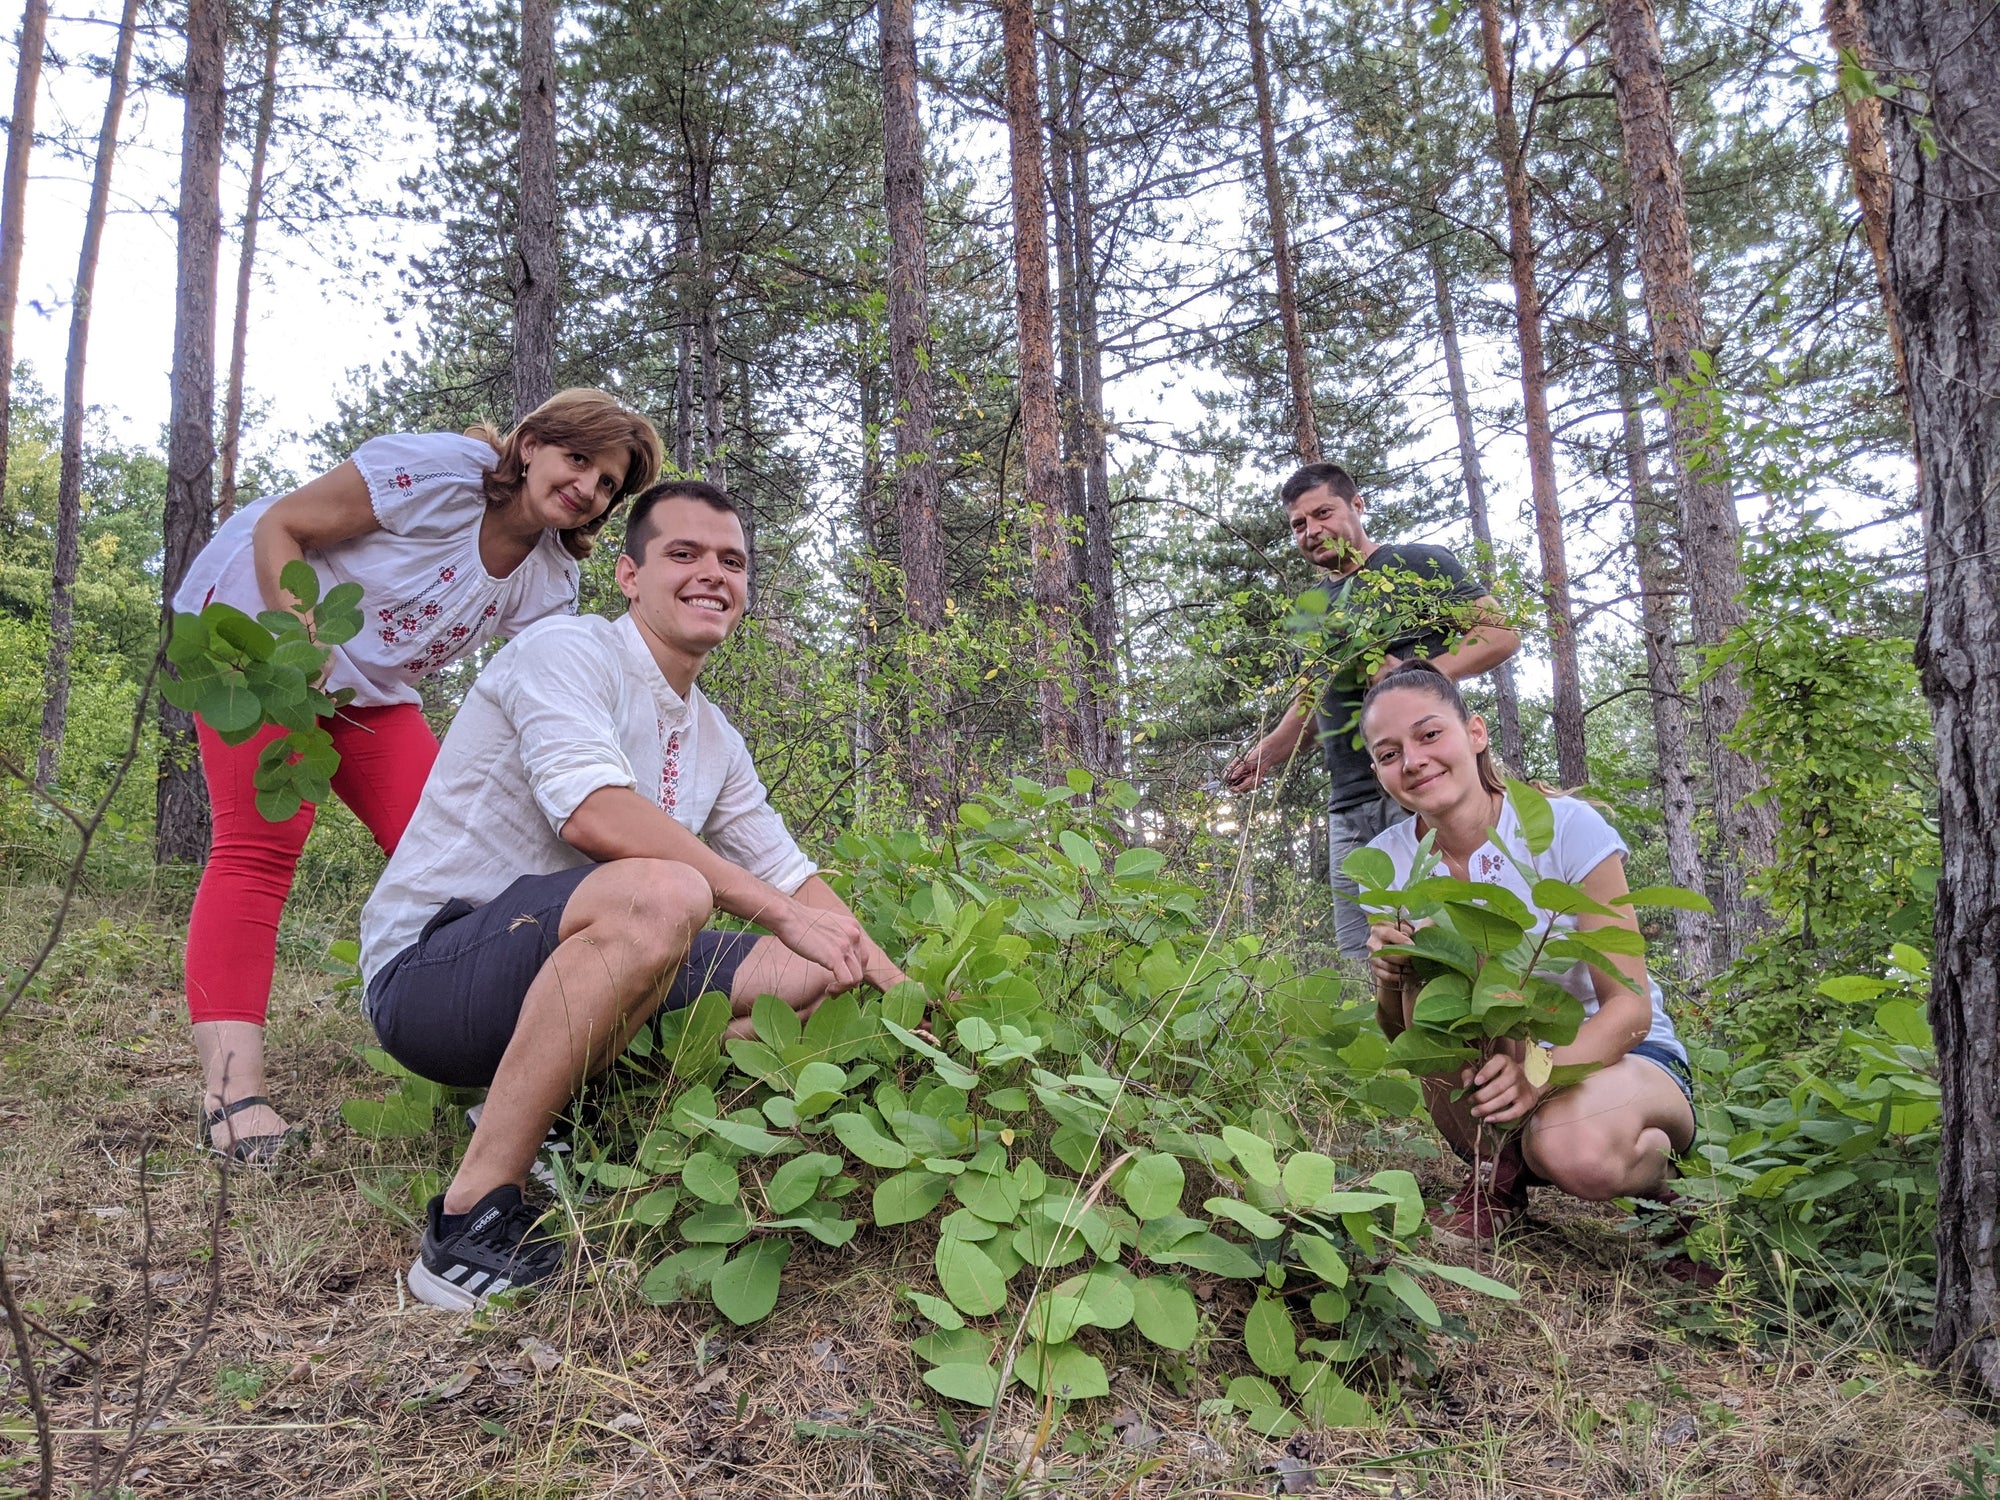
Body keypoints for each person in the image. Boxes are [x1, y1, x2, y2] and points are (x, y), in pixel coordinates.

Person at [357, 478, 909, 1309]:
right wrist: (781, 913)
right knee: (666, 894)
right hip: (435, 973)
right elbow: (592, 814)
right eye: (682, 554)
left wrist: (898, 992)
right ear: (628, 575)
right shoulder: (568, 653)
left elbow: (794, 877)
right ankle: (468, 1220)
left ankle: (559, 1121)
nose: (710, 574)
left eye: (731, 561)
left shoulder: (714, 734)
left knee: (816, 975)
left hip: (572, 957)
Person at [173, 389, 664, 1162]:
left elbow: (542, 700)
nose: (587, 489)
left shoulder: (548, 581)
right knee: (260, 850)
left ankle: (512, 1083)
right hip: (256, 641)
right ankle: (232, 1102)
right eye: (579, 460)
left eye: (607, 484)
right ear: (530, 443)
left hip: (371, 687)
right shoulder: (438, 476)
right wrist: (298, 647)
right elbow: (283, 526)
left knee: (453, 857)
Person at [1358, 662, 1695, 1240]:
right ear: (1378, 771)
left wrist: (1538, 1076)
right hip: (1497, 1062)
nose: (1412, 761)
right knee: (1431, 965)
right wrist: (1390, 975)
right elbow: (1405, 1034)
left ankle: (1671, 1191)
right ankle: (1497, 1177)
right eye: (1389, 754)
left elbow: (1630, 1009)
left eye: (1429, 734)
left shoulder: (1565, 827)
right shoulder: (1389, 859)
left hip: (1616, 1056)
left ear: (1476, 734)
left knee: (1575, 1152)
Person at [1224, 463, 1519, 961]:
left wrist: (1419, 668)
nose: (1312, 530)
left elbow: (1501, 633)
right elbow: (1315, 704)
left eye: (1323, 513)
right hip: (1350, 806)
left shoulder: (1416, 564)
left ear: (1356, 506)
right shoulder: (1311, 608)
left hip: (1424, 787)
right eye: (1299, 524)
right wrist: (1268, 753)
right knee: (1368, 959)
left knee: (1451, 947)